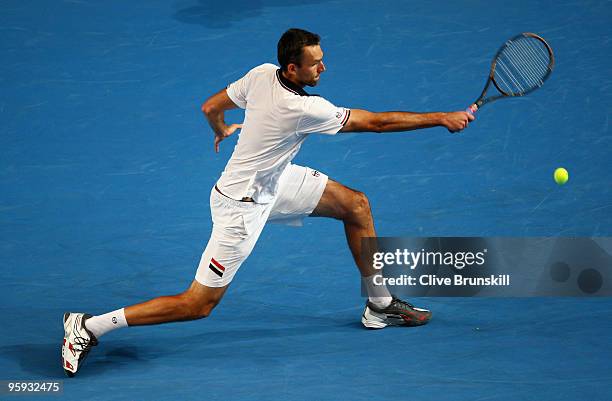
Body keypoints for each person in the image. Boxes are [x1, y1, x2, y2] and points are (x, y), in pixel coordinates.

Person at [61, 28, 474, 376]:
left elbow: (210, 106)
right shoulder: (304, 107)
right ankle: (90, 325)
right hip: (241, 208)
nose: (323, 68)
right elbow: (378, 123)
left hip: (273, 183)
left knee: (356, 205)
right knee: (198, 305)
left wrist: (221, 128)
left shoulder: (262, 74)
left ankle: (380, 305)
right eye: (315, 63)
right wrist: (442, 117)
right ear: (293, 69)